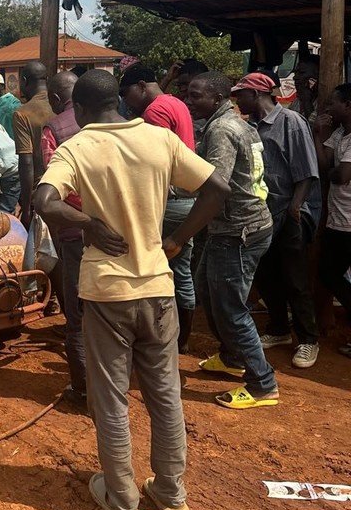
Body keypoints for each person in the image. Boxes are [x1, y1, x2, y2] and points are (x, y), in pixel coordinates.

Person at [34, 70, 228, 510]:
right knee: (164, 395)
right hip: (157, 287)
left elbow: (44, 200)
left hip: (106, 293)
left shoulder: (77, 147)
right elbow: (217, 188)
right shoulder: (159, 140)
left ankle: (121, 499)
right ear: (117, 103)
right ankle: (170, 492)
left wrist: (90, 225)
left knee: (111, 398)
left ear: (78, 110)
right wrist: (176, 240)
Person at [187, 72, 278, 410]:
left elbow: (217, 187)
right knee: (208, 291)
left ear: (217, 96)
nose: (189, 100)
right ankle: (231, 356)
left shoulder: (222, 129)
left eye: (196, 95)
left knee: (231, 308)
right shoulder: (234, 122)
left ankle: (262, 384)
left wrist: (180, 234)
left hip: (238, 231)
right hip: (239, 227)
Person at [231, 73, 320, 368]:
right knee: (267, 275)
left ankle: (308, 340)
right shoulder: (252, 126)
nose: (237, 101)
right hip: (263, 213)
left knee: (295, 278)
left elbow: (307, 171)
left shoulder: (291, 123)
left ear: (256, 94)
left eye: (240, 95)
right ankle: (279, 329)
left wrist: (295, 208)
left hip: (289, 212)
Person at [119, 63, 198, 352]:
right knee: (183, 269)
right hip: (188, 196)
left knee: (160, 271)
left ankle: (168, 337)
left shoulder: (154, 112)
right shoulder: (174, 102)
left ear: (141, 86)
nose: (126, 101)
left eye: (126, 94)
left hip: (171, 200)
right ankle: (183, 340)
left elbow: (154, 161)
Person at [40, 71, 86, 404]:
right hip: (122, 230)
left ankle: (83, 390)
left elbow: (53, 188)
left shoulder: (54, 129)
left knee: (79, 315)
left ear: (56, 99)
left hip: (75, 231)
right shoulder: (122, 126)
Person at [313, 84, 351, 358]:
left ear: (348, 105)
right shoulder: (339, 134)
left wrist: (333, 172)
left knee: (329, 272)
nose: (328, 109)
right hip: (339, 218)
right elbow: (324, 164)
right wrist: (320, 133)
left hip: (349, 221)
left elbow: (341, 177)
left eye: (333, 104)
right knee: (329, 272)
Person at [13, 61, 54, 228]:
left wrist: (27, 207)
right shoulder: (62, 104)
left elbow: (26, 161)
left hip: (41, 191)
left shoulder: (23, 113)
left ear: (24, 81)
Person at [292, 54, 320, 123]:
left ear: (317, 75)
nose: (295, 77)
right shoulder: (298, 100)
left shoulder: (324, 101)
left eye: (301, 73)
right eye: (296, 73)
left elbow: (313, 127)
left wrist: (307, 101)